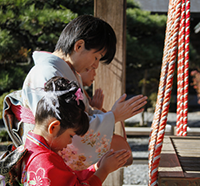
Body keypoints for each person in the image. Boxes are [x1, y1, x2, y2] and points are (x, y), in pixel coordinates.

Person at [18, 15, 147, 170]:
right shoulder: (46, 72)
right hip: (46, 161)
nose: (96, 65)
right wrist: (113, 116)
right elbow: (62, 127)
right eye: (96, 57)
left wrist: (110, 115)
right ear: (78, 46)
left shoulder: (66, 73)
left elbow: (80, 117)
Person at [21, 76, 131, 186]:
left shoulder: (33, 151)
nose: (69, 142)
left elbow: (68, 182)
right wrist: (104, 171)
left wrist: (95, 168)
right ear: (54, 127)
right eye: (71, 136)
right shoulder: (45, 162)